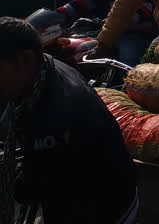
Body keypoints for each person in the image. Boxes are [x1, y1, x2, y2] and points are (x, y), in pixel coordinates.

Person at [0, 17, 137, 223]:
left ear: (24, 60)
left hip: (106, 209)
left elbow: (35, 186)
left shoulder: (57, 117)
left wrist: (13, 185)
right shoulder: (44, 67)